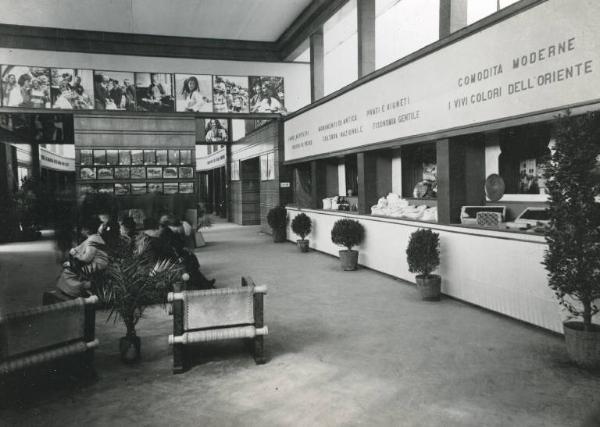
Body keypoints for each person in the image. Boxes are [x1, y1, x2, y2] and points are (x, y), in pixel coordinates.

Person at [55, 216, 108, 299]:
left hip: (97, 265)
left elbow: (87, 258)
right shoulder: (94, 238)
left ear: (87, 230)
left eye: (82, 229)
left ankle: (81, 289)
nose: (81, 231)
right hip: (96, 263)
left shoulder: (93, 240)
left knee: (68, 272)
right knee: (68, 267)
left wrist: (75, 254)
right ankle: (83, 287)